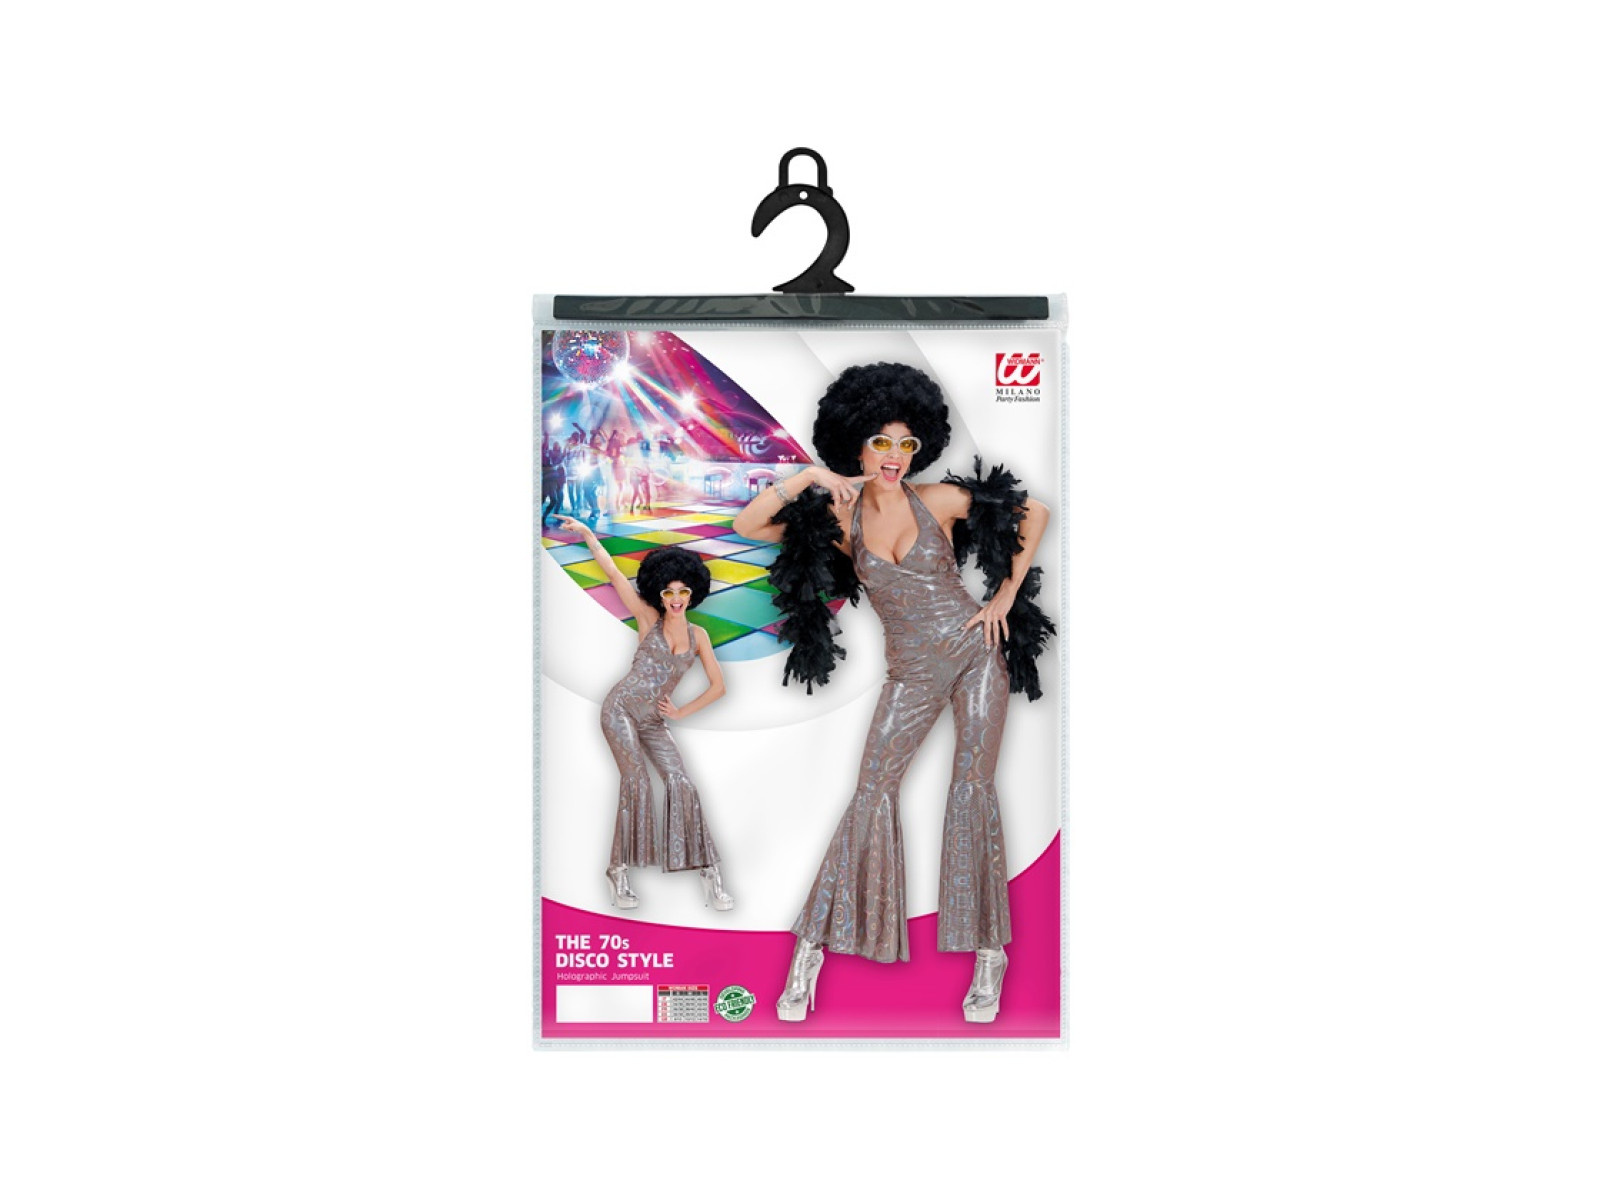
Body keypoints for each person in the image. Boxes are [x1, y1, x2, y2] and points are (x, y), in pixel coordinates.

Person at [731, 362, 1052, 1023]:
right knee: (872, 791)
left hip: (975, 655)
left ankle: (988, 955)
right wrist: (809, 478)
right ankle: (810, 951)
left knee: (972, 790)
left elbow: (1035, 512)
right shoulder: (838, 519)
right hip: (911, 672)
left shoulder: (937, 500)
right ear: (855, 444)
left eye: (908, 443)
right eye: (882, 441)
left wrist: (1004, 595)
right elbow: (748, 526)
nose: (895, 455)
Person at [557, 519, 733, 911]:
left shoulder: (700, 636)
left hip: (653, 719)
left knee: (681, 781)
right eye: (668, 592)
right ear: (659, 593)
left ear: (692, 593)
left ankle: (709, 872)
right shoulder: (648, 618)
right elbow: (613, 573)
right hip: (620, 709)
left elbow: (719, 686)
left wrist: (681, 712)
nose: (676, 598)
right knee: (635, 780)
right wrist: (587, 534)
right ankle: (618, 871)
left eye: (683, 591)